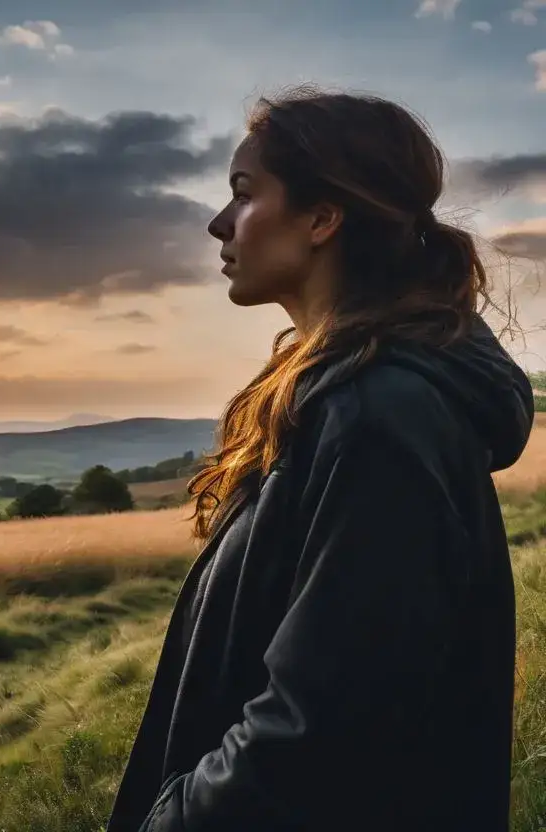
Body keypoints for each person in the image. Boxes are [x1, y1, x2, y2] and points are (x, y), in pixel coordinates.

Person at [105, 86, 533, 832]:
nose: (218, 223)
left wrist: (171, 820)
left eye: (243, 193)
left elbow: (320, 735)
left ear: (322, 219)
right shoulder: (349, 403)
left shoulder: (380, 420)